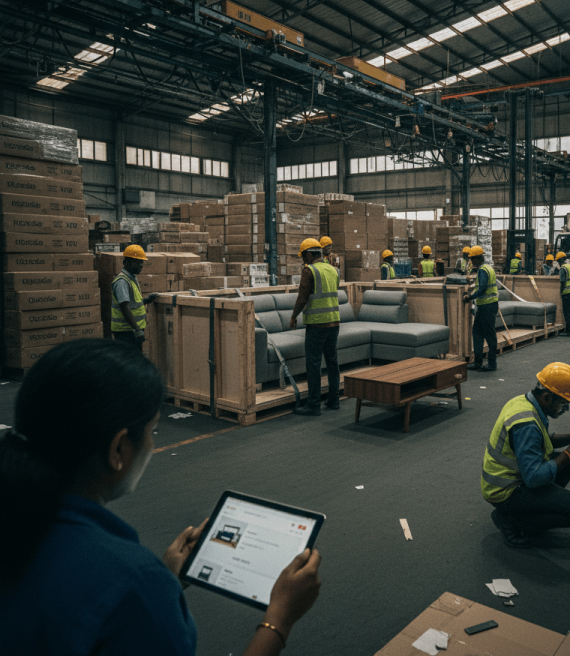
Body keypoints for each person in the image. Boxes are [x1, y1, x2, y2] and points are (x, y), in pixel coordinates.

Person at [0, 339, 322, 655]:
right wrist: (279, 619)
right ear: (118, 449)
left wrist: (167, 577)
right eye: (152, 431)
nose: (152, 445)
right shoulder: (134, 584)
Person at [482, 362, 570, 548]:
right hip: (506, 490)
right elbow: (533, 478)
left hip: (513, 477)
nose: (565, 409)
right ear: (547, 398)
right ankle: (511, 519)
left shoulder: (523, 401)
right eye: (564, 404)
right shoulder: (526, 424)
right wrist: (569, 452)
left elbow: (542, 442)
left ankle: (532, 509)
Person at [290, 238, 340, 416]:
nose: (303, 260)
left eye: (304, 256)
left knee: (313, 364)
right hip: (334, 322)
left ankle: (313, 404)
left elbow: (302, 298)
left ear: (310, 254)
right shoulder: (334, 270)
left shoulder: (309, 270)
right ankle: (334, 400)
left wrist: (293, 316)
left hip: (317, 324)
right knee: (332, 361)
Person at [111, 244, 158, 350]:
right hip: (126, 332)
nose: (141, 265)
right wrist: (137, 329)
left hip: (130, 331)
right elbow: (124, 307)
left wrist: (146, 300)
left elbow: (132, 303)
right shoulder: (122, 281)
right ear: (127, 262)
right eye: (137, 262)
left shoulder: (132, 279)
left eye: (141, 262)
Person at [463, 245, 498, 372]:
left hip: (487, 306)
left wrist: (470, 296)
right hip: (486, 305)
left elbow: (482, 289)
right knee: (477, 332)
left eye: (472, 259)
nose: (471, 262)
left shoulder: (483, 270)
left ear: (478, 258)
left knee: (489, 335)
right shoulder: (488, 268)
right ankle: (478, 362)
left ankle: (492, 363)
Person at [558, 251, 570, 337]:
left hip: (567, 292)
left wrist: (561, 292)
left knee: (567, 312)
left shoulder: (563, 268)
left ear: (559, 261)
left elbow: (562, 282)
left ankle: (569, 331)